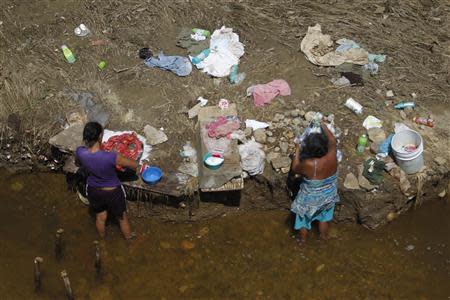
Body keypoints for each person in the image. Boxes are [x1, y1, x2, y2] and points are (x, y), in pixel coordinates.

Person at [76, 122, 141, 240]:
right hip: (112, 192)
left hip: (93, 190)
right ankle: (129, 239)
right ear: (100, 136)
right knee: (122, 218)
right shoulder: (111, 156)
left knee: (100, 217)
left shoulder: (80, 152)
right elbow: (134, 165)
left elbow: (80, 160)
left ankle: (102, 241)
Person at [290, 121, 339, 244]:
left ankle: (302, 240)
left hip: (309, 200)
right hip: (328, 195)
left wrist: (297, 149)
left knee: (303, 222)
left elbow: (295, 168)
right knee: (323, 218)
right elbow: (332, 139)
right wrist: (322, 124)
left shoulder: (309, 164)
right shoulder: (332, 154)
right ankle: (324, 238)